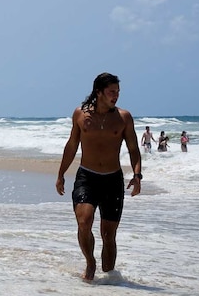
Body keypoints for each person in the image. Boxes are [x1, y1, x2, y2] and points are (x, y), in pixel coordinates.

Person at [56, 72, 142, 282]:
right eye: (112, 91)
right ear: (99, 92)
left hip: (113, 180)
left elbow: (133, 149)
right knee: (84, 221)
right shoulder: (80, 114)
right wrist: (61, 174)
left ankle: (110, 279)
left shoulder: (123, 117)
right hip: (87, 177)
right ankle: (90, 262)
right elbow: (71, 145)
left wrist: (137, 175)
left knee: (108, 235)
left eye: (118, 92)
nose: (116, 95)